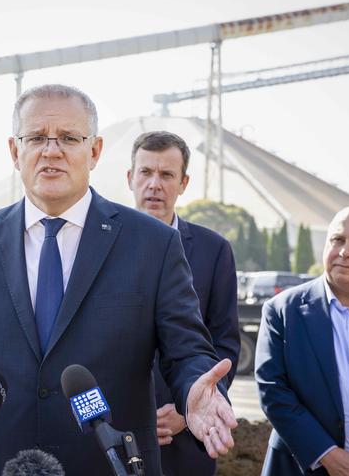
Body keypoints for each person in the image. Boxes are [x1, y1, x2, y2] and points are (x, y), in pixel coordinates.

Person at [0, 84, 237, 475]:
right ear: (15, 152)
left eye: (69, 138)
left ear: (95, 151)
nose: (51, 151)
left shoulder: (153, 244)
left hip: (108, 463)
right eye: (36, 137)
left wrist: (195, 393)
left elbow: (186, 351)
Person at [127, 131, 240, 475]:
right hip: (115, 435)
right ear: (130, 178)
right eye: (145, 173)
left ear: (184, 182)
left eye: (166, 175)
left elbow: (224, 343)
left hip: (186, 439)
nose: (154, 185)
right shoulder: (99, 245)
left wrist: (188, 406)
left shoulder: (213, 250)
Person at [256, 205, 349, 476]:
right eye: (337, 240)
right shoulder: (283, 310)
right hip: (299, 466)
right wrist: (327, 454)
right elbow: (272, 390)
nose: (345, 251)